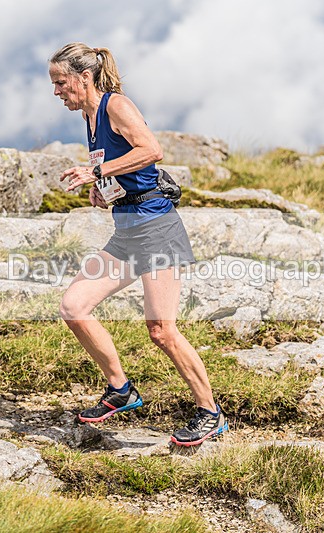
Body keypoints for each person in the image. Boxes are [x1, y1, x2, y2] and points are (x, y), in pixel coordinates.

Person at [48, 42, 228, 446]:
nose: (56, 91)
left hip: (157, 228)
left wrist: (97, 172)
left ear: (84, 78)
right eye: (54, 84)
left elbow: (151, 150)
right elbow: (122, 166)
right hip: (127, 229)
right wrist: (104, 188)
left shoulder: (116, 105)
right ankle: (121, 389)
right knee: (74, 307)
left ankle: (210, 412)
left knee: (161, 330)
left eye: (61, 82)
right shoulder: (89, 116)